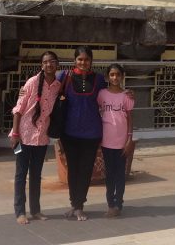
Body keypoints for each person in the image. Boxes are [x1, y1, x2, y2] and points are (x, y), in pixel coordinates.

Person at [9, 51, 62, 225]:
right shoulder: (31, 82)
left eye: (52, 62)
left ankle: (36, 210)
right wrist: (15, 134)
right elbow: (18, 109)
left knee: (36, 175)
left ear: (57, 65)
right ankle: (20, 212)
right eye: (46, 62)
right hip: (22, 137)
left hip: (41, 138)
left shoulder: (57, 86)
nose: (49, 65)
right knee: (20, 174)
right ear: (41, 65)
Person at [58, 45, 107, 221]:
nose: (83, 62)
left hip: (91, 133)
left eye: (86, 59)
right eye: (80, 59)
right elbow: (46, 89)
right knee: (73, 169)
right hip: (69, 133)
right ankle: (74, 204)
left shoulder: (100, 79)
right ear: (74, 60)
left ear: (91, 61)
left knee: (86, 170)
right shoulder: (64, 77)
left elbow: (112, 94)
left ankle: (80, 206)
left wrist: (128, 94)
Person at [97, 63, 135, 218]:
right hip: (106, 141)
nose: (115, 77)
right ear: (107, 77)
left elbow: (130, 119)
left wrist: (129, 139)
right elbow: (97, 111)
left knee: (120, 174)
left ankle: (118, 203)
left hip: (122, 142)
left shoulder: (127, 96)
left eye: (118, 74)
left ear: (122, 76)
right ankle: (110, 203)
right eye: (112, 74)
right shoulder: (101, 94)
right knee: (110, 174)